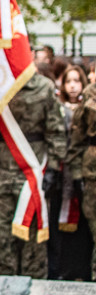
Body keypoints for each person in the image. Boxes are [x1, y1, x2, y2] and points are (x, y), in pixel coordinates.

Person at [0, 71, 66, 278]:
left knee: (33, 241)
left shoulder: (43, 87)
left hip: (33, 171)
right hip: (0, 171)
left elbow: (56, 130)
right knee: (2, 237)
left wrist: (53, 167)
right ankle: (6, 286)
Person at [50, 64, 92, 280]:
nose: (73, 85)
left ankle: (83, 269)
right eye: (69, 81)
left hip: (86, 170)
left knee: (84, 224)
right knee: (61, 223)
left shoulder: (89, 105)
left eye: (77, 81)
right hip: (63, 172)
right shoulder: (57, 108)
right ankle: (63, 268)